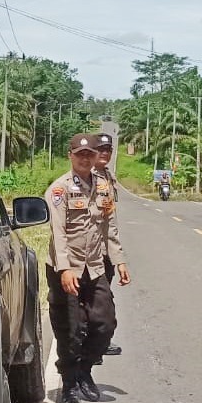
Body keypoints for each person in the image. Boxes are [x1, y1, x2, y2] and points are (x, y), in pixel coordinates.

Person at [45, 134, 128, 403]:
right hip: (66, 268)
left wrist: (119, 260)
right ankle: (68, 385)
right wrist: (65, 269)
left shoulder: (103, 187)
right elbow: (58, 233)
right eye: (79, 154)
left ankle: (84, 371)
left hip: (94, 267)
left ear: (95, 157)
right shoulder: (60, 190)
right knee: (71, 329)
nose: (85, 158)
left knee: (104, 324)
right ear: (70, 155)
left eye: (90, 154)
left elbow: (110, 228)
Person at [92, 132, 124, 359]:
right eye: (100, 149)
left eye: (108, 150)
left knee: (103, 299)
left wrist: (117, 257)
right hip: (90, 251)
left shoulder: (107, 176)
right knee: (95, 301)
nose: (104, 153)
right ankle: (92, 345)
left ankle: (100, 342)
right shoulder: (88, 177)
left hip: (106, 250)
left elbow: (110, 220)